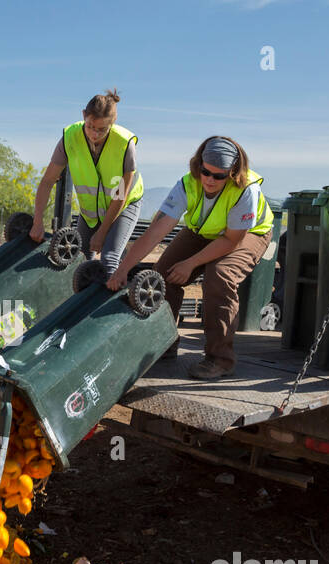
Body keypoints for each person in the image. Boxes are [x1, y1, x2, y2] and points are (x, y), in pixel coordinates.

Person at [107, 135, 273, 380]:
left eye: (219, 176)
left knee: (219, 276)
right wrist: (123, 269)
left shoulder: (246, 189)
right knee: (163, 273)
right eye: (206, 172)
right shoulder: (187, 183)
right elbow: (156, 231)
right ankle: (164, 342)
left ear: (233, 172)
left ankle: (221, 359)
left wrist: (191, 263)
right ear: (199, 165)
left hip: (247, 235)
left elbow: (231, 240)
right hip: (201, 231)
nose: (210, 180)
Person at [29, 89, 143, 276]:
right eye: (90, 126)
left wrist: (103, 232)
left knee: (109, 260)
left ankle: (109, 304)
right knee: (77, 260)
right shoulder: (70, 137)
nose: (95, 133)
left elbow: (120, 195)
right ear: (83, 115)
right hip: (90, 213)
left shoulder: (125, 144)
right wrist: (38, 220)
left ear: (112, 123)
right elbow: (48, 181)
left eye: (102, 129)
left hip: (124, 206)